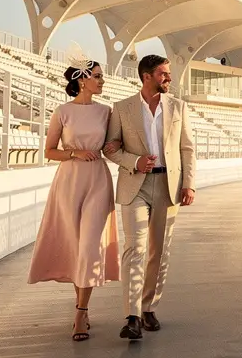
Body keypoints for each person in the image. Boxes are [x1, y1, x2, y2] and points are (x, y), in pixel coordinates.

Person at [27, 57, 121, 342]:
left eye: (102, 76)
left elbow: (114, 143)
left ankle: (80, 311)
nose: (102, 80)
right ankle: (82, 307)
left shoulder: (107, 112)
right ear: (82, 80)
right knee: (76, 245)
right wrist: (75, 153)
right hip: (69, 180)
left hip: (97, 180)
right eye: (98, 76)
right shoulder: (62, 112)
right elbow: (49, 151)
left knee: (91, 244)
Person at [104, 55, 195, 340]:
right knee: (135, 248)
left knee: (160, 251)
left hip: (169, 185)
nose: (169, 78)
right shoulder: (121, 108)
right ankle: (131, 316)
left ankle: (148, 307)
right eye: (163, 74)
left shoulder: (179, 107)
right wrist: (134, 161)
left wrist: (189, 184)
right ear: (146, 76)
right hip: (135, 185)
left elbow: (188, 149)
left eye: (168, 74)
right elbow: (110, 148)